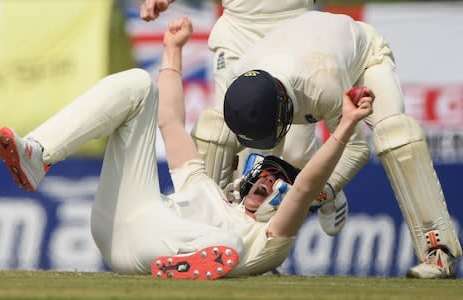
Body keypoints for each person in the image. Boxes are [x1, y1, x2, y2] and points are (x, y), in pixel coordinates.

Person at [0, 17, 374, 280]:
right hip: (123, 222)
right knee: (140, 86)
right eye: (267, 177)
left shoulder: (268, 243)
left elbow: (307, 186)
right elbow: (170, 123)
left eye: (277, 183)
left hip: (152, 249)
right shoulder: (206, 190)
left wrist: (345, 126)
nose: (269, 183)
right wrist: (172, 50)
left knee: (226, 244)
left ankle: (186, 262)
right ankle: (38, 155)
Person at [220, 11, 462, 279]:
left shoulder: (322, 85)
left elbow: (356, 148)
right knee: (230, 144)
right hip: (296, 74)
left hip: (362, 62)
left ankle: (438, 252)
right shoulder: (239, 80)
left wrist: (315, 194)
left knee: (394, 134)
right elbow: (246, 154)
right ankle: (236, 247)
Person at [140, 0, 349, 238]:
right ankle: (227, 239)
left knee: (295, 154)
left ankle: (326, 185)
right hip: (239, 32)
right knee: (237, 142)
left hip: (297, 28)